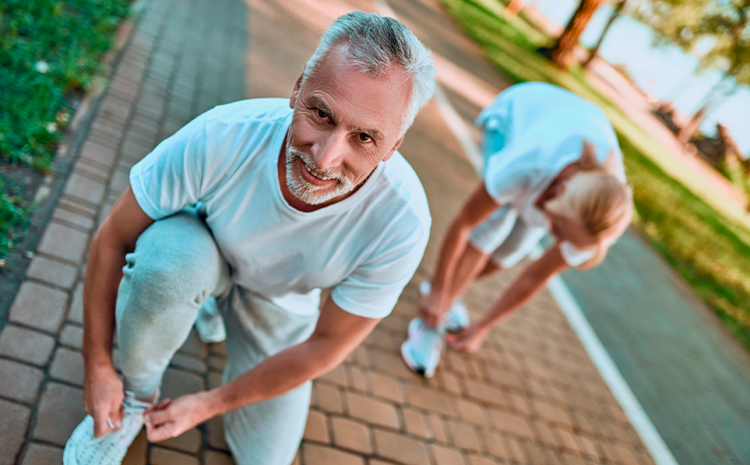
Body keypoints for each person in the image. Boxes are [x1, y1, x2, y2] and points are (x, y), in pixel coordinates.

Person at [63, 11, 436, 465]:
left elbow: (328, 345)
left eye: (364, 138)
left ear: (393, 147)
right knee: (167, 270)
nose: (326, 157)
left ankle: (217, 311)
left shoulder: (403, 223)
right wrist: (97, 364)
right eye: (321, 114)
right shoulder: (223, 133)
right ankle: (136, 399)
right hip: (206, 248)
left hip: (280, 302)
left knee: (266, 458)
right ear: (297, 88)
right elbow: (112, 238)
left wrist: (209, 402)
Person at [401, 82, 633, 378]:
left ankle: (448, 292)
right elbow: (464, 224)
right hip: (515, 118)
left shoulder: (596, 224)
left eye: (565, 238)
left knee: (512, 250)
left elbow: (536, 275)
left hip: (562, 149)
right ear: (558, 194)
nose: (558, 242)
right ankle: (430, 322)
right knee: (494, 225)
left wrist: (482, 326)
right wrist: (438, 293)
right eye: (558, 230)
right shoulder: (529, 161)